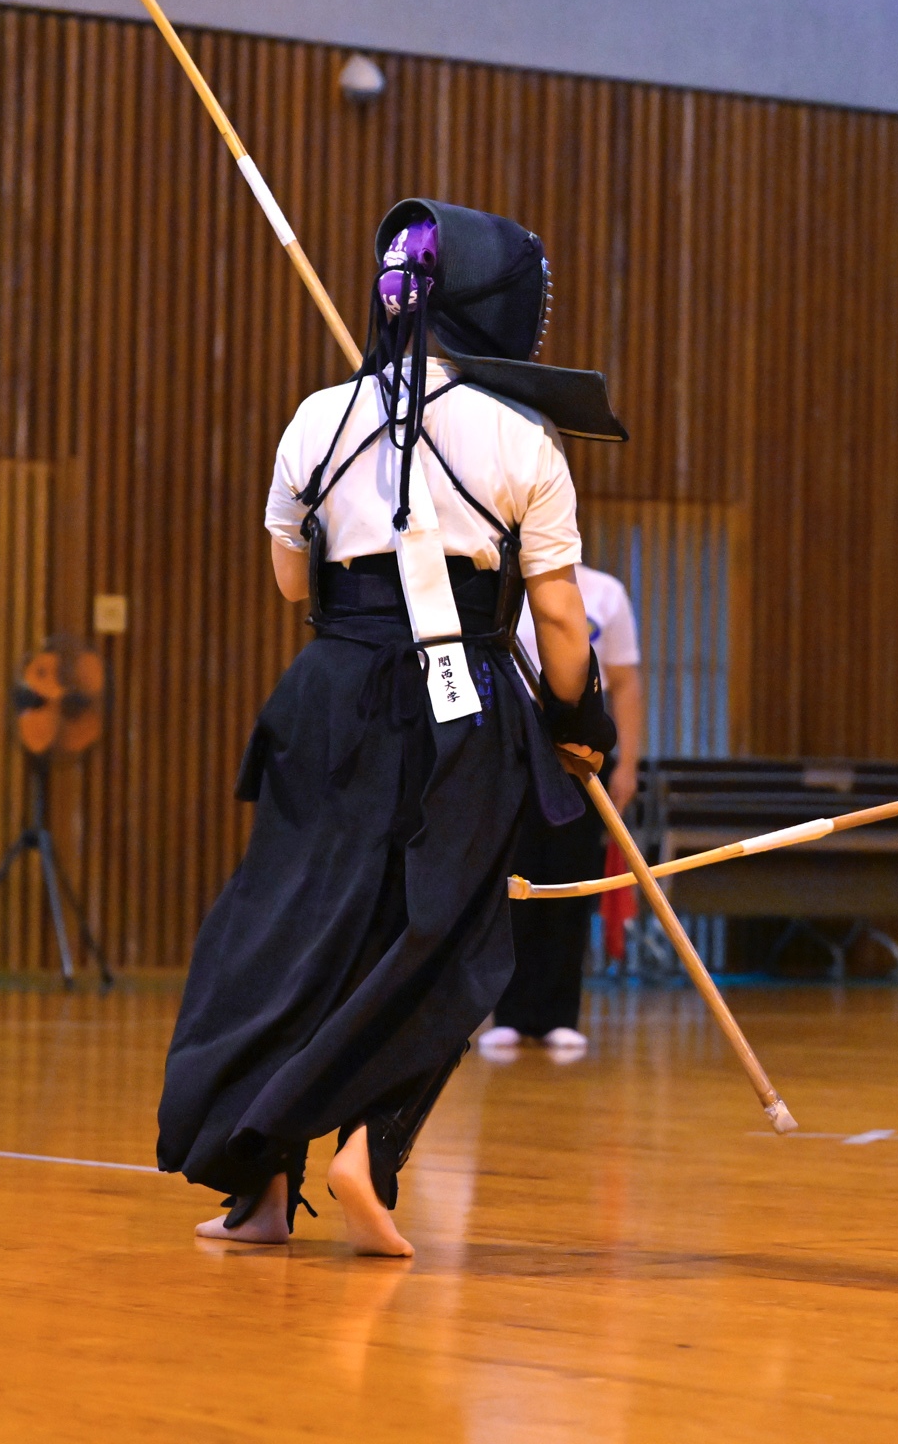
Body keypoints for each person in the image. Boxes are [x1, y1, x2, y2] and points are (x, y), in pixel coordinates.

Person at [155, 199, 626, 1256]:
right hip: (462, 699)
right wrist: (577, 719)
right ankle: (370, 1151)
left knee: (297, 930)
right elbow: (560, 621)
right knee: (447, 939)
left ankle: (258, 1191)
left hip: (329, 694)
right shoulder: (522, 437)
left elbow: (292, 583)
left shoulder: (316, 418)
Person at [481, 564, 645, 1055]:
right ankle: (509, 1014)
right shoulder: (501, 585)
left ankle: (559, 1014)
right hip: (510, 749)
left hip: (579, 753)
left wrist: (628, 765)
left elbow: (625, 682)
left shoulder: (606, 592)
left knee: (571, 879)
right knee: (512, 881)